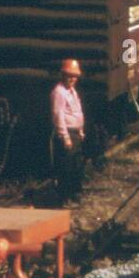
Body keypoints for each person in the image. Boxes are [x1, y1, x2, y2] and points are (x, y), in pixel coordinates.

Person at [51, 58, 87, 204]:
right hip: (67, 134)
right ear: (63, 75)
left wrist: (81, 130)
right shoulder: (59, 92)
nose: (72, 79)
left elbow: (77, 111)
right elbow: (58, 115)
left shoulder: (72, 91)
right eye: (69, 75)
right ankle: (64, 196)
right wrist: (65, 137)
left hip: (75, 133)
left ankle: (75, 193)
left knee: (76, 165)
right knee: (66, 167)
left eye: (75, 76)